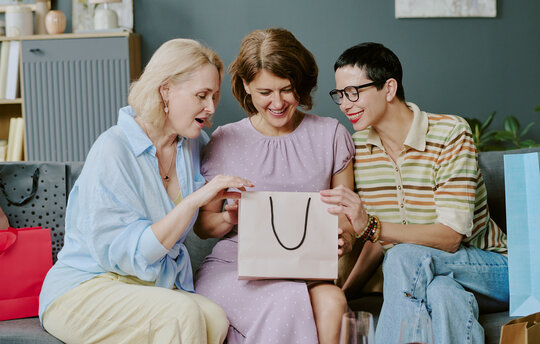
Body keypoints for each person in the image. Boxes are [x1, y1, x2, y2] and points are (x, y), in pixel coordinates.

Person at [39, 39, 253, 344]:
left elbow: (209, 221)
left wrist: (229, 218)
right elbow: (131, 256)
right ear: (166, 90)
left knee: (215, 319)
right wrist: (193, 200)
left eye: (215, 96)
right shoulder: (113, 149)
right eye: (201, 95)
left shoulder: (191, 144)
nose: (211, 108)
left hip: (147, 285)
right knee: (182, 315)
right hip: (87, 285)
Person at [320, 42, 509, 343]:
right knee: (444, 294)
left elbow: (449, 238)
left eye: (354, 92)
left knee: (402, 257)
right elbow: (378, 241)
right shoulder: (360, 149)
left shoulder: (450, 133)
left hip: (491, 270)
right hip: (426, 275)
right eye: (340, 95)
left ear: (389, 88)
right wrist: (343, 295)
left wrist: (371, 226)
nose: (345, 104)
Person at [194, 28, 356, 344]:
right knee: (283, 300)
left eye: (287, 89)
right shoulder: (226, 140)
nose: (278, 102)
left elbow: (346, 220)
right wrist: (230, 217)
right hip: (237, 268)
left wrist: (345, 240)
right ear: (246, 86)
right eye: (265, 92)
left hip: (305, 268)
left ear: (301, 85)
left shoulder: (331, 135)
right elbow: (203, 226)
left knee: (334, 302)